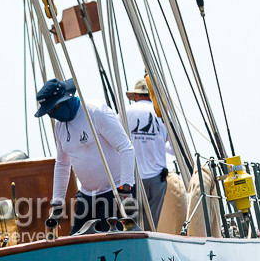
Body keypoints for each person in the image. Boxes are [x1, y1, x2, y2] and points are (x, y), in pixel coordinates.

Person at [34, 77, 139, 234]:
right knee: (74, 241)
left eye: (52, 109)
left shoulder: (96, 113)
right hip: (87, 195)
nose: (51, 115)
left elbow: (126, 148)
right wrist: (57, 203)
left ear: (65, 100)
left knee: (113, 241)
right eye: (47, 111)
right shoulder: (60, 128)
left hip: (115, 190)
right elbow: (62, 164)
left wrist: (125, 190)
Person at [124, 75, 173, 227]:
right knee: (150, 226)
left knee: (130, 225)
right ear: (151, 95)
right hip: (156, 179)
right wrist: (157, 143)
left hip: (132, 179)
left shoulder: (126, 112)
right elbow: (172, 149)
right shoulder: (162, 114)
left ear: (136, 95)